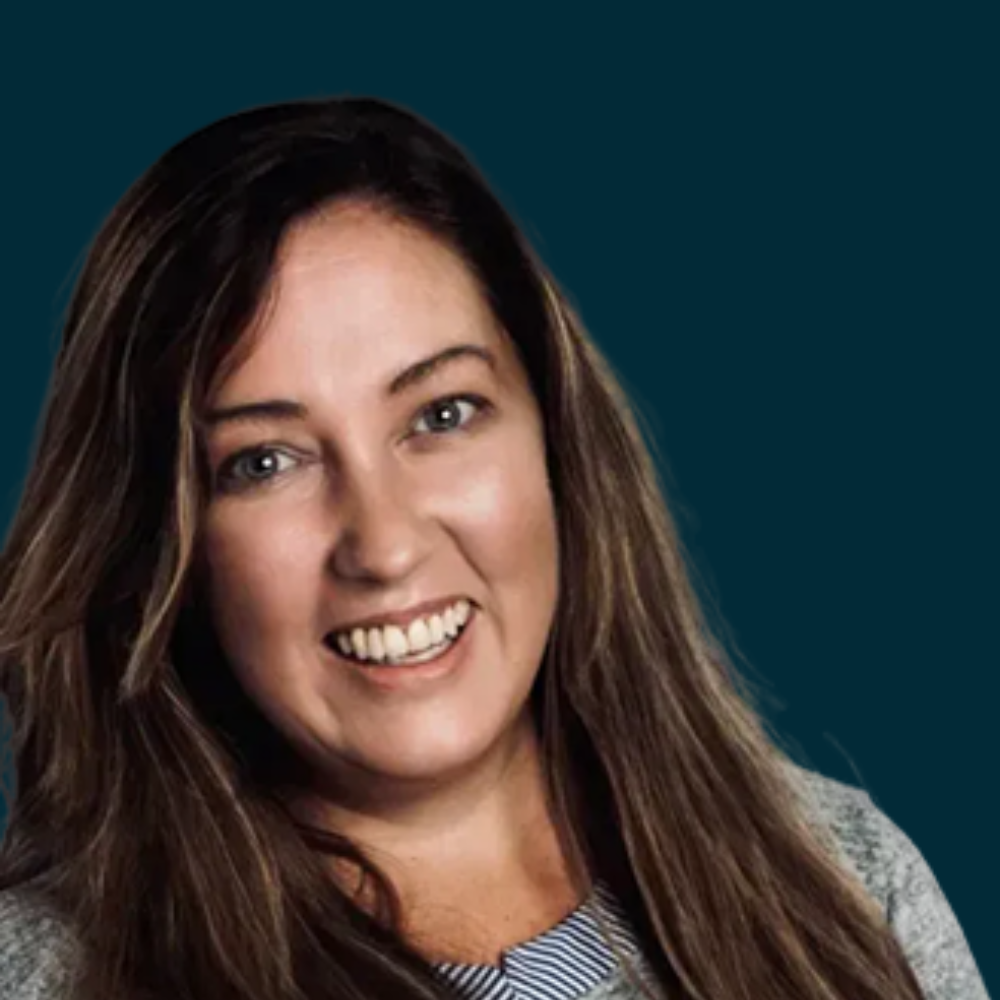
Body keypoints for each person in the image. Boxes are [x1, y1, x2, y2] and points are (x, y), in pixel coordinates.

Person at [0, 96, 988, 1000]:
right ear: (160, 543)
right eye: (264, 462)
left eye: (441, 414)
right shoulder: (48, 976)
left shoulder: (844, 877)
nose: (385, 545)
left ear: (554, 436)